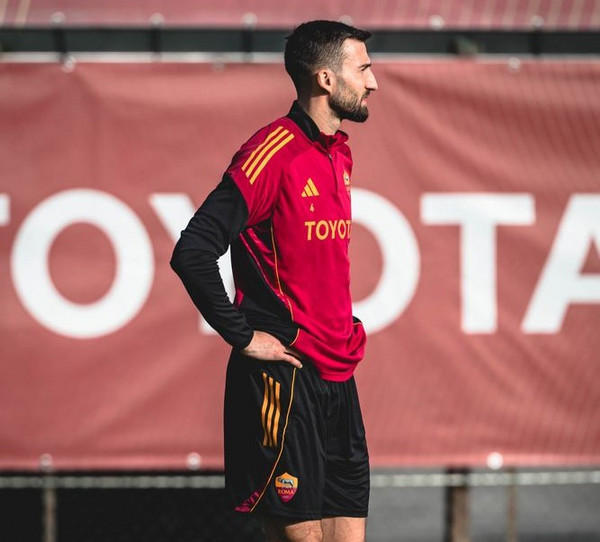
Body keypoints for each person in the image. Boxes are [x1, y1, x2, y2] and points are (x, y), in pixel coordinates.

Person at [170, 20, 378, 542]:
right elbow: (193, 251)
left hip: (339, 377)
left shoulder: (340, 152)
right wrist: (242, 336)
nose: (373, 82)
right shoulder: (270, 152)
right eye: (363, 69)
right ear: (326, 79)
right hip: (286, 380)